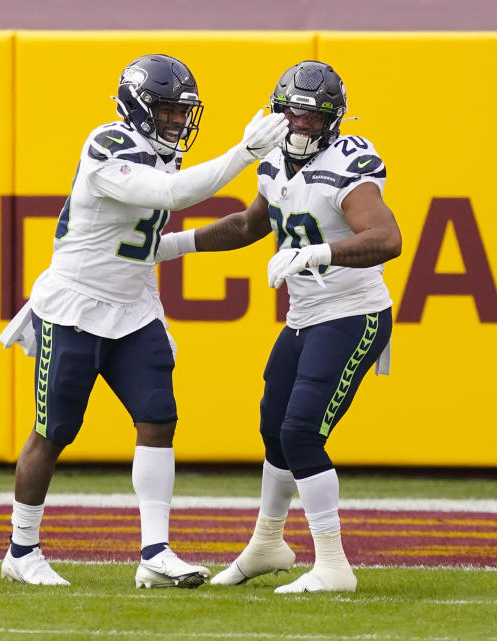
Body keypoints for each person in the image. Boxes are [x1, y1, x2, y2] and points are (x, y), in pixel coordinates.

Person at [0, 53, 288, 587]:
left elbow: (141, 244)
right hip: (76, 306)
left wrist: (193, 244)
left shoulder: (161, 153)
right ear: (137, 104)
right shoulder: (107, 146)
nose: (179, 121)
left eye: (184, 112)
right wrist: (244, 154)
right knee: (53, 431)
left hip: (133, 307)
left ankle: (155, 553)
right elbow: (170, 195)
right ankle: (21, 549)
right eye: (169, 110)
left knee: (158, 417)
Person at [156, 59, 400, 593]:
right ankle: (268, 542)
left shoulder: (349, 161)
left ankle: (333, 564)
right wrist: (173, 245)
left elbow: (387, 238)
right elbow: (249, 223)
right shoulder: (273, 156)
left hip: (353, 312)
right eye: (293, 114)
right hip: (305, 316)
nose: (301, 125)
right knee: (273, 426)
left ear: (333, 120)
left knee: (301, 433)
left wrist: (318, 252)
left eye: (313, 118)